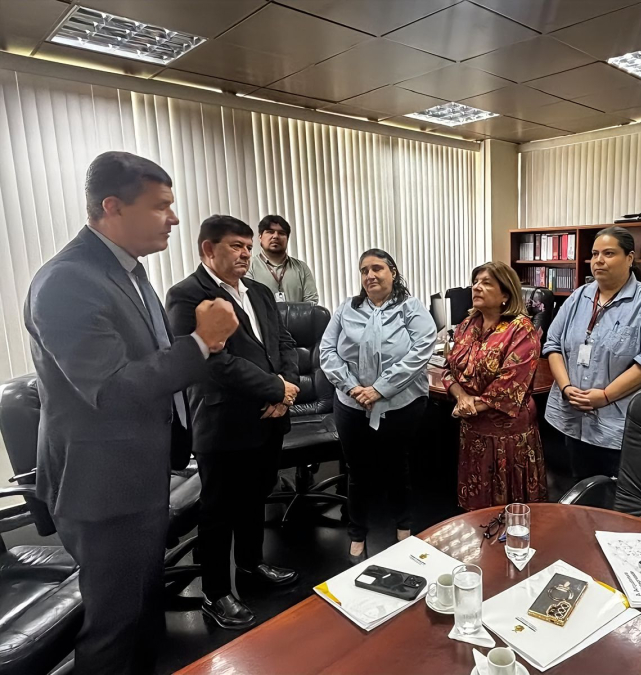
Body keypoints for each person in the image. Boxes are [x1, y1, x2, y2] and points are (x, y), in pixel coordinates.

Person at [24, 151, 239, 675]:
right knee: (115, 630)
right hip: (102, 489)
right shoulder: (68, 281)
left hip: (137, 476)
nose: (175, 218)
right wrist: (202, 343)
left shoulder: (128, 271)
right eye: (161, 206)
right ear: (113, 207)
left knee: (144, 616)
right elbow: (115, 389)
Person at [166, 215, 301, 630]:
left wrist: (288, 387)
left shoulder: (258, 291)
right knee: (218, 510)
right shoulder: (187, 295)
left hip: (269, 418)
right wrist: (275, 390)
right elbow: (213, 363)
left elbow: (284, 344)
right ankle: (215, 592)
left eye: (247, 246)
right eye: (235, 246)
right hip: (224, 423)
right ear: (209, 249)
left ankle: (250, 565)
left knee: (255, 498)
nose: (245, 254)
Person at [320, 249, 435, 563]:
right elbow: (327, 351)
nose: (370, 275)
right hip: (351, 403)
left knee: (397, 467)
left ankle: (403, 527)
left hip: (401, 403)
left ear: (393, 272)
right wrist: (354, 387)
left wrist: (380, 389)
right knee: (357, 471)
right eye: (364, 270)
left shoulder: (411, 308)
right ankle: (357, 533)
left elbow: (421, 351)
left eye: (377, 268)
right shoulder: (347, 309)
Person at [544, 226, 641, 480]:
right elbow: (553, 344)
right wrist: (565, 387)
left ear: (629, 258)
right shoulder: (577, 297)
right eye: (594, 254)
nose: (599, 261)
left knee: (616, 504)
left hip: (618, 427)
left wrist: (604, 396)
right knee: (578, 491)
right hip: (573, 419)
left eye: (608, 253)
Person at [442, 262, 548, 510]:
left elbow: (509, 387)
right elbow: (448, 370)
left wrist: (469, 406)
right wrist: (461, 398)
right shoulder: (467, 325)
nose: (477, 287)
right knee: (476, 508)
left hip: (507, 439)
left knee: (509, 511)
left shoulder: (521, 329)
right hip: (472, 431)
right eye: (475, 282)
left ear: (505, 294)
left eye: (486, 282)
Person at [247, 214, 318, 303]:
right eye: (270, 232)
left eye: (281, 233)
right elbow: (248, 301)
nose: (276, 236)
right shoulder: (248, 265)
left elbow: (311, 301)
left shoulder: (301, 267)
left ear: (287, 239)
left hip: (297, 317)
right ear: (260, 237)